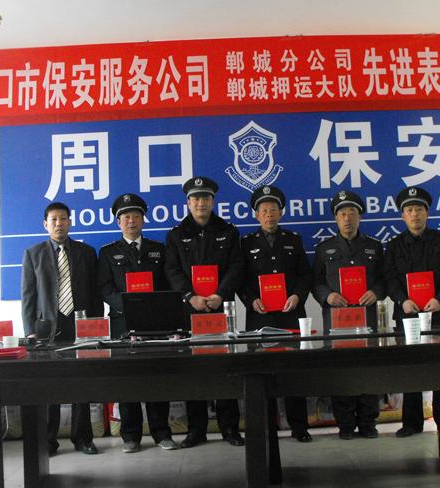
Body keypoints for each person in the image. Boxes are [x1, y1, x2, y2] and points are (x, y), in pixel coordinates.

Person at [164, 176, 244, 448]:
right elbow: (171, 270)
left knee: (226, 369)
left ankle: (230, 428)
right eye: (196, 198)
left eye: (206, 198)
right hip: (191, 310)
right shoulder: (176, 234)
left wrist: (219, 294)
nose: (201, 203)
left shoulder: (228, 231)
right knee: (194, 371)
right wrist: (190, 296)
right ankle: (196, 430)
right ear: (188, 202)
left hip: (221, 309)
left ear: (213, 201)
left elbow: (236, 266)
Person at [97, 193, 177, 453]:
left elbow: (168, 284)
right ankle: (130, 436)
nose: (131, 220)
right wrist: (129, 305)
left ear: (143, 219)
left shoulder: (158, 249)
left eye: (135, 216)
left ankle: (162, 433)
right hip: (122, 324)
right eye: (126, 217)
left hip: (155, 324)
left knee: (157, 379)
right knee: (127, 380)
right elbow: (105, 288)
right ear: (118, 222)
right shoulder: (108, 253)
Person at [21, 201, 102, 456]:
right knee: (50, 384)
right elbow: (28, 296)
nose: (59, 224)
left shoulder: (86, 252)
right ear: (45, 224)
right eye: (54, 219)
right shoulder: (33, 254)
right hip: (47, 329)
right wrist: (30, 331)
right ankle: (48, 441)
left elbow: (95, 293)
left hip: (79, 325)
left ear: (70, 222)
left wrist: (96, 325)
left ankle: (83, 438)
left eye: (63, 219)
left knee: (81, 383)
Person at [384, 187, 440, 438]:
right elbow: (389, 277)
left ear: (427, 213)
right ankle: (412, 422)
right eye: (409, 210)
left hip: (437, 313)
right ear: (402, 216)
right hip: (407, 314)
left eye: (419, 209)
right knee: (411, 368)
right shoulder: (394, 246)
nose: (415, 214)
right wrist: (402, 300)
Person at [239, 185, 313, 443]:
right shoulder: (246, 243)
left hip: (289, 313)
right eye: (264, 210)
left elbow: (305, 275)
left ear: (281, 213)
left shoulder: (293, 240)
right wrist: (251, 300)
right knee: (262, 373)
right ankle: (266, 427)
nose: (269, 214)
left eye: (273, 210)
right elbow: (241, 279)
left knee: (294, 372)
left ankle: (299, 427)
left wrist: (297, 296)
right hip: (260, 316)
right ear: (256, 215)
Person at [312, 190, 385, 440]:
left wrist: (376, 292)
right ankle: (345, 424)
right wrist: (328, 296)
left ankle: (368, 423)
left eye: (352, 213)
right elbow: (316, 282)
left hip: (367, 317)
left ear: (359, 217)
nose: (347, 218)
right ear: (336, 218)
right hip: (338, 319)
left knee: (368, 369)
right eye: (342, 213)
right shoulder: (324, 249)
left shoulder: (374, 247)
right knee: (341, 370)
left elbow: (384, 279)